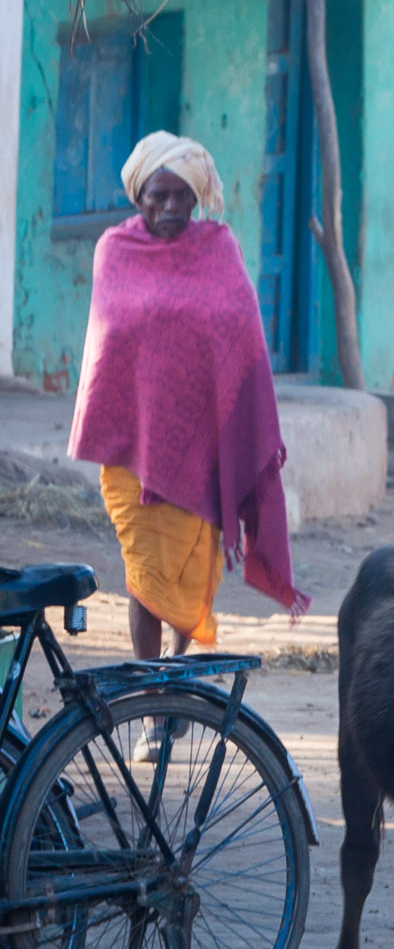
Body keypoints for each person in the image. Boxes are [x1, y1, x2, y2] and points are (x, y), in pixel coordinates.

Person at [68, 132, 305, 673]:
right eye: (160, 194)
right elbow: (112, 342)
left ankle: (176, 683)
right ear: (138, 196)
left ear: (197, 199)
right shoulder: (115, 252)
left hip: (204, 449)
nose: (172, 206)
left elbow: (243, 332)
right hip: (133, 453)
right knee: (146, 580)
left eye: (183, 196)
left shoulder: (218, 250)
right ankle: (151, 699)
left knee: (191, 576)